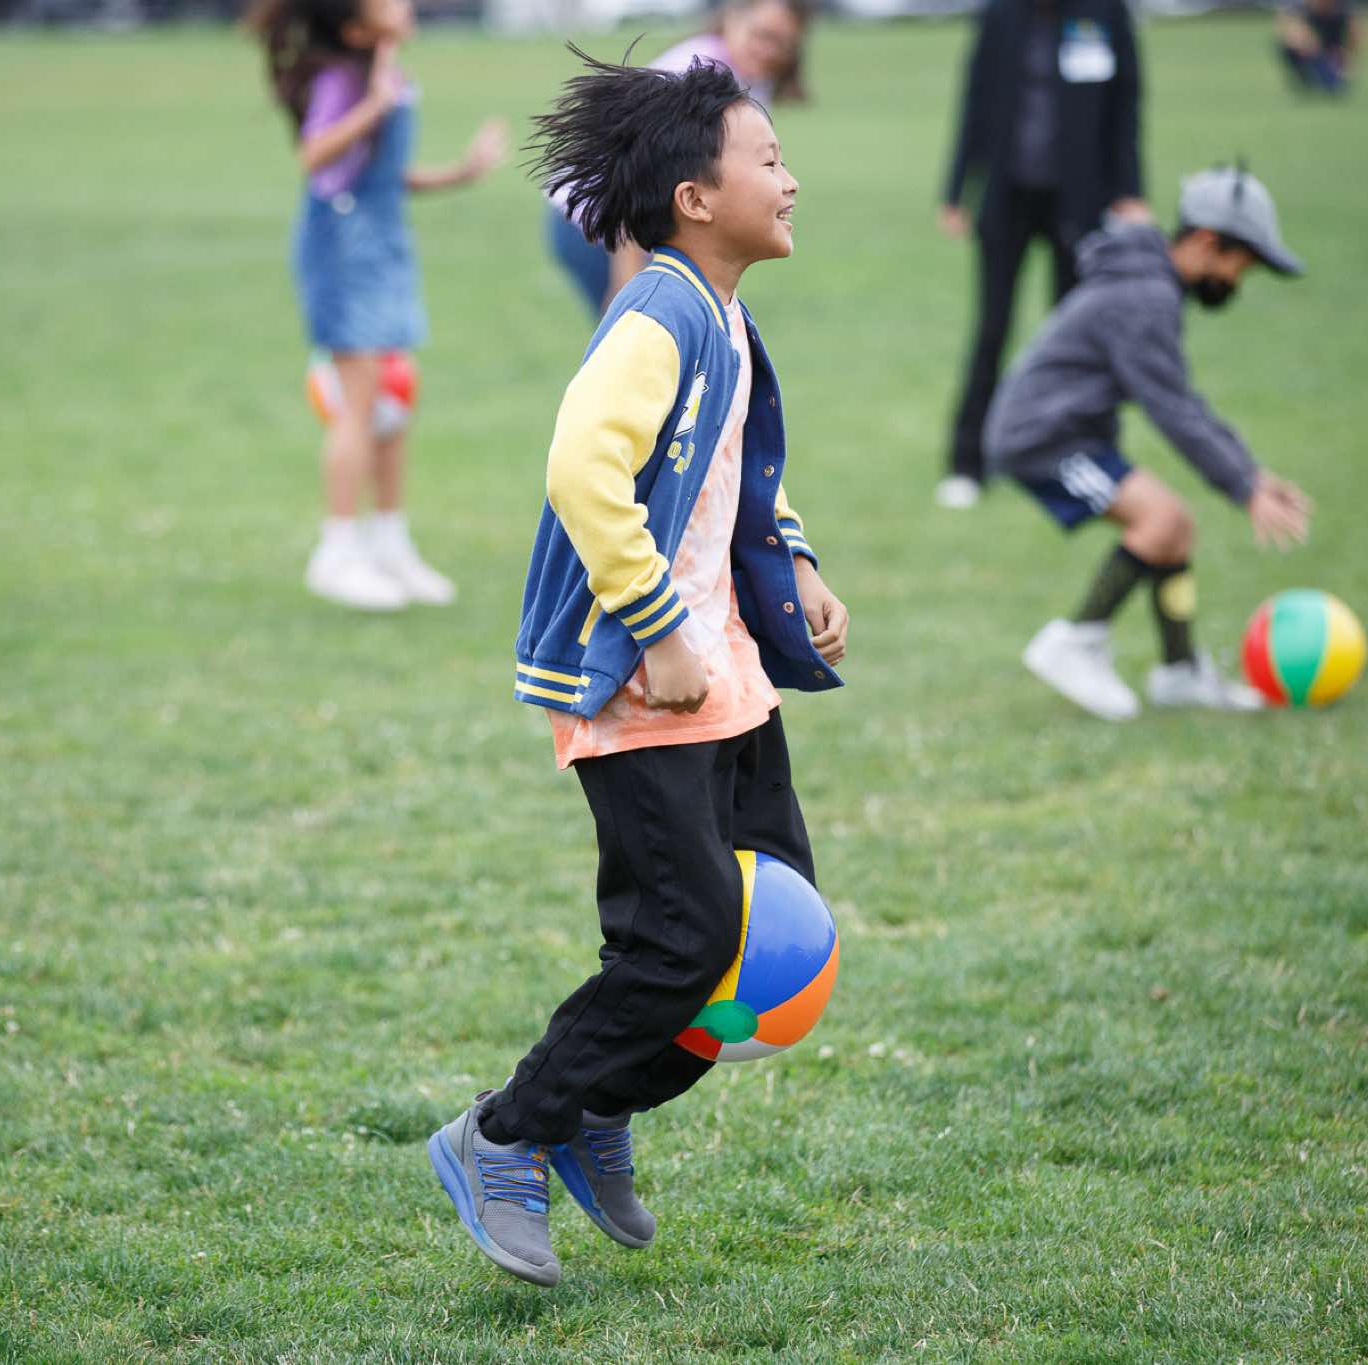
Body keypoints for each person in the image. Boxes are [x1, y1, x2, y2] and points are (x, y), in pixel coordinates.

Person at [427, 50, 848, 1287]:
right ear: (693, 198)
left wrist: (796, 562)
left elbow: (733, 474)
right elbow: (580, 468)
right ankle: (503, 1135)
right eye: (767, 160)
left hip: (725, 679)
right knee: (683, 945)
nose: (789, 179)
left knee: (765, 938)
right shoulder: (659, 315)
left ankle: (593, 1108)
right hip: (643, 683)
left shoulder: (722, 316)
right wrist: (660, 628)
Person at [984, 165, 1315, 721]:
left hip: (1065, 431)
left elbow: (1180, 399)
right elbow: (1173, 410)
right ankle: (1075, 642)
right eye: (1241, 264)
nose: (1238, 281)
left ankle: (1179, 673)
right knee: (1161, 521)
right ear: (1207, 243)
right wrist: (1242, 485)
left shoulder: (1148, 284)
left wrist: (1251, 474)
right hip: (1040, 437)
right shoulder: (1145, 296)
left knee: (1175, 527)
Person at [248, 0, 508, 610]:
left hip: (383, 248)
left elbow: (380, 174)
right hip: (343, 251)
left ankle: (389, 544)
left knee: (394, 402)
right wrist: (373, 104)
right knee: (360, 404)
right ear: (357, 29)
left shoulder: (384, 73)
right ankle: (336, 552)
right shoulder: (344, 81)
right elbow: (314, 155)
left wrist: (460, 174)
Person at [934, 0, 1146, 511]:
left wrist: (1129, 190)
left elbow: (1125, 104)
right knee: (992, 330)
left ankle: (1085, 455)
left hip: (1081, 199)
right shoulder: (1000, 14)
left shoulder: (1106, 13)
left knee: (1080, 336)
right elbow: (976, 99)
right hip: (1007, 197)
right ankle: (967, 464)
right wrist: (958, 189)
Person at [544, 0, 812, 317]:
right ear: (731, 19)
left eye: (783, 43)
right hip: (598, 223)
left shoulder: (747, 79)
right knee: (635, 331)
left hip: (646, 224)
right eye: (762, 35)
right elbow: (637, 176)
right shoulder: (696, 75)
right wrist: (627, 280)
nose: (769, 50)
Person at [1277, 0, 1365, 95]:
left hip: (1334, 56)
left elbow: (1356, 35)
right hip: (1313, 52)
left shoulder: (1342, 10)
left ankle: (1330, 80)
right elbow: (1287, 21)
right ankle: (1305, 80)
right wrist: (1299, 38)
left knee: (1334, 87)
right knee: (1289, 47)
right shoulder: (1305, 8)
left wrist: (1348, 58)